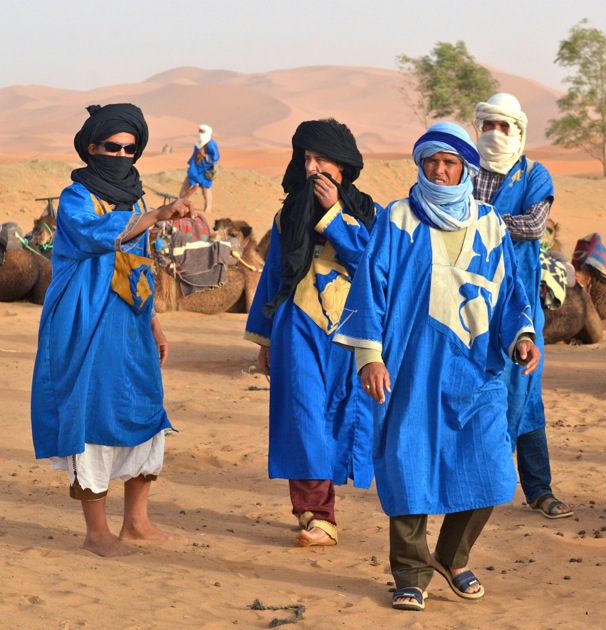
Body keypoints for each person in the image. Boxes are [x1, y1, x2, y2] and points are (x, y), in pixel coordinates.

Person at [334, 122, 541, 612]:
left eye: (450, 163)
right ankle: (410, 572)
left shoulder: (490, 221)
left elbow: (511, 292)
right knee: (410, 464)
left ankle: (452, 555)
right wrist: (369, 356)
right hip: (412, 368)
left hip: (478, 369)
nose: (441, 171)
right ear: (421, 166)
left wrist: (524, 335)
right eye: (432, 162)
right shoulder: (398, 219)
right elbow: (371, 288)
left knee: (492, 467)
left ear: (465, 168)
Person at [31, 103, 197, 558]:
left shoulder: (139, 202)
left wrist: (155, 323)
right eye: (112, 147)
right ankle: (96, 533)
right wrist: (157, 215)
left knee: (145, 407)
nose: (122, 154)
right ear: (91, 148)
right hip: (84, 320)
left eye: (130, 148)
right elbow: (98, 235)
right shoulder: (76, 197)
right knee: (91, 412)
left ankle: (137, 522)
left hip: (131, 320)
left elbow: (136, 265)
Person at [244, 118, 378, 547]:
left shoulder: (368, 212)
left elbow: (370, 267)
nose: (313, 167)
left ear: (342, 166)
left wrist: (337, 213)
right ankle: (318, 514)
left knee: (339, 416)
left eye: (322, 159)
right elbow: (273, 277)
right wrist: (264, 341)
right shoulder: (287, 214)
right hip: (296, 327)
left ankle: (316, 508)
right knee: (301, 417)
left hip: (348, 330)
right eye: (307, 159)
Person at [473, 93, 573, 520]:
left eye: (503, 126)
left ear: (519, 131)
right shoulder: (466, 170)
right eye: (488, 125)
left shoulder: (534, 173)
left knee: (523, 391)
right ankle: (484, 482)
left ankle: (532, 487)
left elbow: (533, 226)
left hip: (521, 301)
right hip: (471, 300)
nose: (494, 134)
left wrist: (478, 219)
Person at [179, 124, 220, 214]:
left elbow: (215, 157)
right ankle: (180, 203)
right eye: (200, 131)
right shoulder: (199, 142)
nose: (200, 133)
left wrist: (204, 155)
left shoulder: (211, 143)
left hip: (205, 171)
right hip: (195, 169)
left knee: (206, 189)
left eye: (202, 131)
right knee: (186, 186)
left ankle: (208, 208)